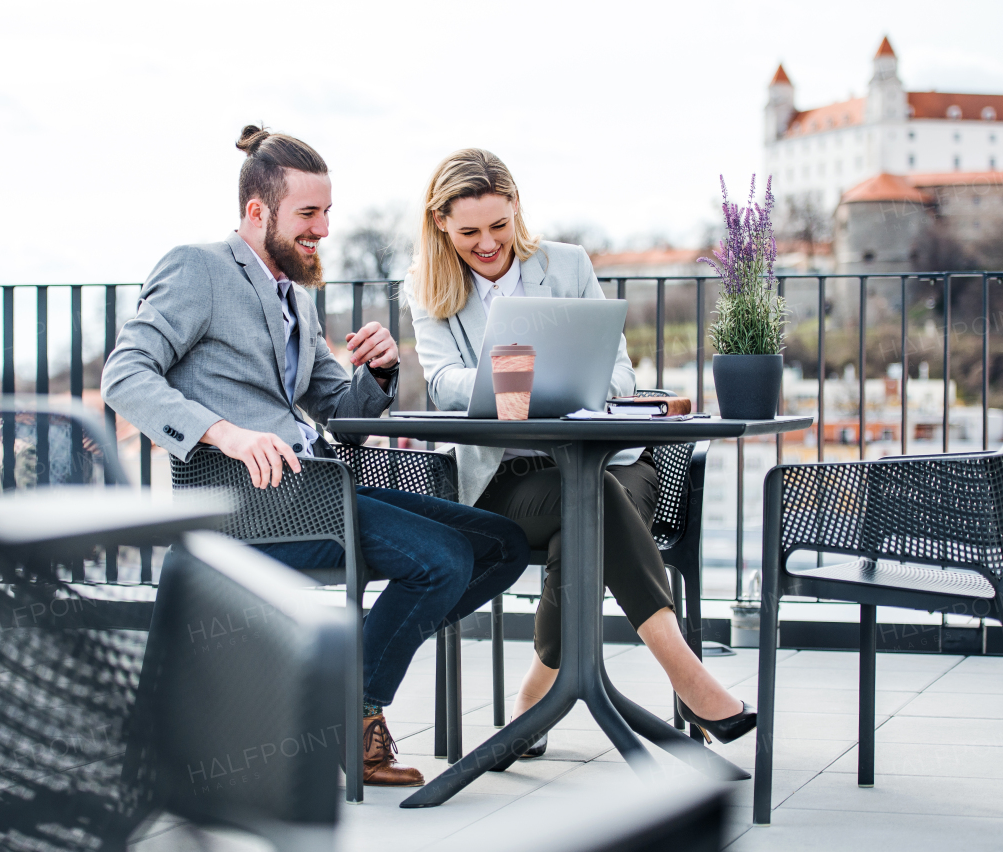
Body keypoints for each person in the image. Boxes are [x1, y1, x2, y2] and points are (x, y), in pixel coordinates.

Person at [102, 128, 529, 787]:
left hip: (317, 490)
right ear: (257, 212)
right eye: (308, 214)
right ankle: (352, 707)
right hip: (249, 503)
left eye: (327, 212)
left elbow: (337, 410)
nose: (323, 229)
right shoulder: (197, 268)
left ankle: (343, 680)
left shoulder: (293, 298)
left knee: (503, 543)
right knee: (441, 560)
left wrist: (381, 372)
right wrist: (227, 434)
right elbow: (125, 376)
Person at [406, 148, 755, 754]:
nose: (487, 244)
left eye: (498, 225)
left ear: (516, 208)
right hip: (510, 478)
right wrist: (508, 377)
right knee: (587, 506)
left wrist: (576, 380)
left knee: (588, 511)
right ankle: (687, 676)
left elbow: (620, 374)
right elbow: (440, 383)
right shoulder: (428, 286)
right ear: (441, 224)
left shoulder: (566, 266)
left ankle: (535, 699)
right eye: (469, 232)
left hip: (611, 463)